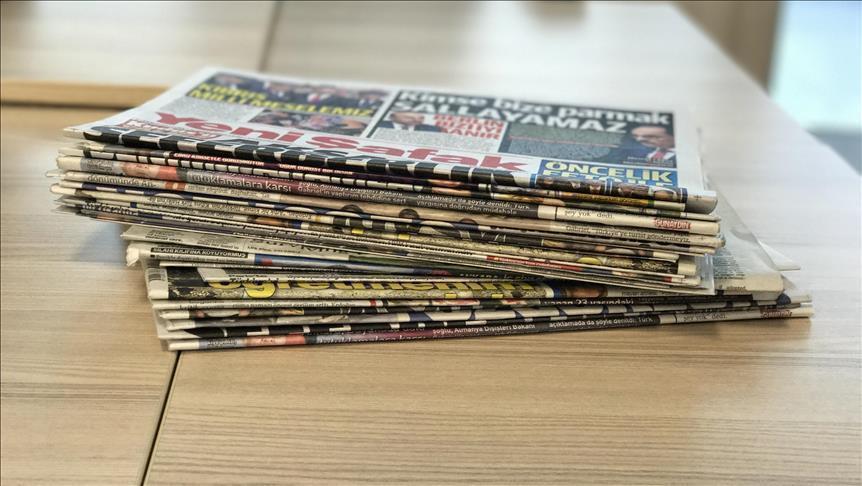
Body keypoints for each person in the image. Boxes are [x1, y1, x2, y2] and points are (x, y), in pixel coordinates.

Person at [377, 111, 441, 132]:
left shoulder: (433, 129)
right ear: (392, 117)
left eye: (421, 118)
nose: (416, 120)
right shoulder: (379, 125)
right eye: (409, 117)